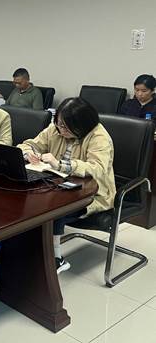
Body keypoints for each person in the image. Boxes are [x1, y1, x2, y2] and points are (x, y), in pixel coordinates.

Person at [17, 97, 116, 274]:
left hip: (92, 193)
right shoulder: (56, 129)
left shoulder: (99, 137)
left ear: (81, 125)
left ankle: (56, 259)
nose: (60, 130)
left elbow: (97, 169)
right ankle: (28, 252)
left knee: (52, 210)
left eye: (65, 126)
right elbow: (29, 144)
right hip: (59, 185)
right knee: (27, 199)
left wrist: (60, 165)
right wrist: (28, 153)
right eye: (58, 124)